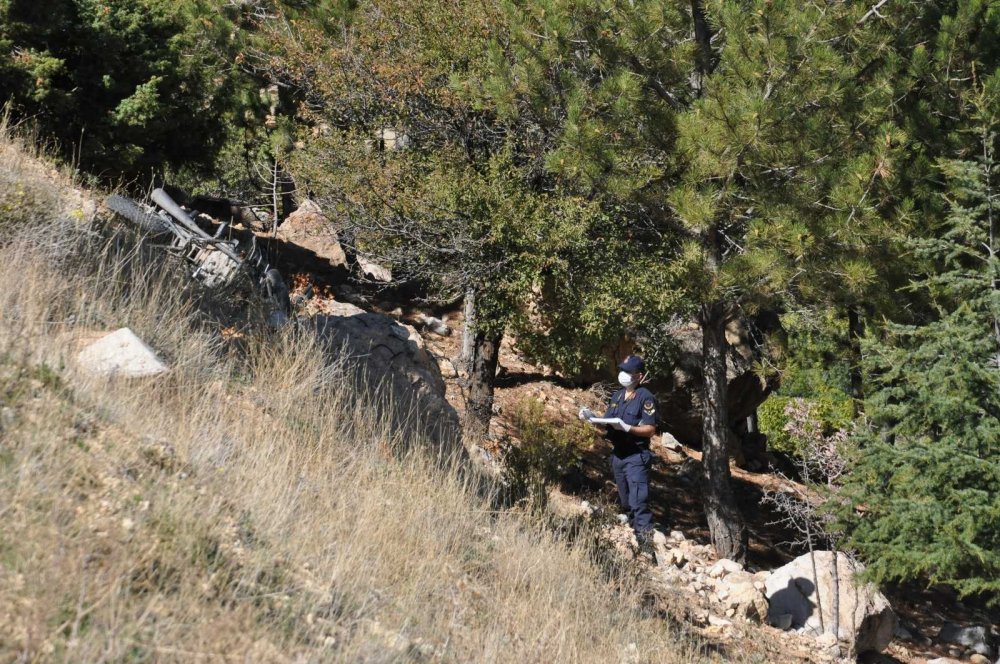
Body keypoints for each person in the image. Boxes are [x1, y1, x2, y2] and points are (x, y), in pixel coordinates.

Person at [580, 354, 658, 549]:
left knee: (638, 503)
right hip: (619, 456)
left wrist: (629, 428)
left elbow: (650, 430)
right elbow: (608, 423)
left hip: (636, 458)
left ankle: (647, 549)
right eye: (622, 370)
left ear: (639, 376)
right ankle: (635, 543)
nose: (623, 375)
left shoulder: (646, 398)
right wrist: (591, 418)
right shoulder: (617, 396)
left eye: (628, 372)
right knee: (626, 503)